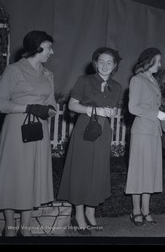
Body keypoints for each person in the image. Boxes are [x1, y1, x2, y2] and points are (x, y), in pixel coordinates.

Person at [57, 47, 122, 235]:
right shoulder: (84, 81)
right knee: (81, 170)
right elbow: (71, 105)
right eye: (101, 61)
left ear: (115, 65)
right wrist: (94, 110)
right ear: (95, 63)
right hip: (85, 128)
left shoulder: (117, 86)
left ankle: (91, 212)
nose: (105, 65)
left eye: (109, 62)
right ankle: (79, 216)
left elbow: (115, 109)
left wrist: (112, 112)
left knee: (98, 171)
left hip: (103, 130)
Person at [0, 30, 56, 236]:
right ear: (38, 47)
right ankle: (10, 227)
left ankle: (25, 226)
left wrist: (47, 110)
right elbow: (1, 103)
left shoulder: (48, 74)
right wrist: (28, 107)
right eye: (49, 47)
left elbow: (51, 105)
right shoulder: (13, 70)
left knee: (31, 176)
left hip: (39, 130)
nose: (51, 52)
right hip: (16, 128)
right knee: (13, 176)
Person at [125, 47, 165, 226]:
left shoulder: (152, 79)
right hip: (142, 132)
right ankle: (135, 211)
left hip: (153, 131)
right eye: (158, 61)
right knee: (139, 172)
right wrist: (157, 114)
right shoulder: (137, 79)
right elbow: (133, 108)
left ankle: (146, 210)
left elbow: (151, 106)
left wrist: (163, 117)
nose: (160, 65)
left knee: (150, 172)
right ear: (149, 61)